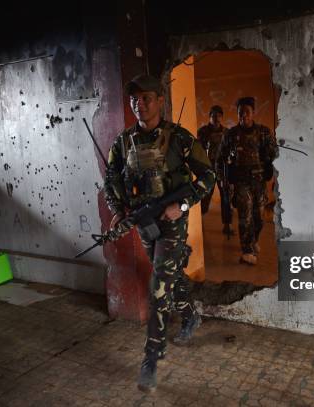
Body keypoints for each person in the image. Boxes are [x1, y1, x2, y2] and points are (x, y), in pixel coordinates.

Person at [103, 74, 215, 392]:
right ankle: (191, 314)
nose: (140, 104)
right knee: (169, 275)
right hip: (144, 223)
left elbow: (208, 176)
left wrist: (181, 204)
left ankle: (151, 358)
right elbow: (110, 178)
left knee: (159, 287)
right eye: (134, 99)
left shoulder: (179, 138)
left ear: (160, 101)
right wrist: (117, 209)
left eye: (146, 98)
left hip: (172, 222)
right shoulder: (122, 142)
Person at [217, 97, 278, 265]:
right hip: (240, 182)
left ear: (253, 113)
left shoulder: (264, 132)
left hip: (259, 182)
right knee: (245, 215)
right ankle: (247, 251)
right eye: (240, 112)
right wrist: (222, 180)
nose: (243, 115)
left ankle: (253, 240)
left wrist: (272, 153)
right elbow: (220, 159)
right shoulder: (230, 135)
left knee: (259, 218)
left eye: (247, 112)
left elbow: (274, 156)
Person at [197, 105, 234, 235]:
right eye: (213, 116)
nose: (216, 118)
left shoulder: (226, 132)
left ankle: (227, 225)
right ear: (210, 117)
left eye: (219, 116)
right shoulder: (202, 131)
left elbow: (231, 150)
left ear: (222, 117)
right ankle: (199, 222)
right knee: (205, 195)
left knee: (226, 196)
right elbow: (198, 151)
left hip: (222, 168)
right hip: (208, 168)